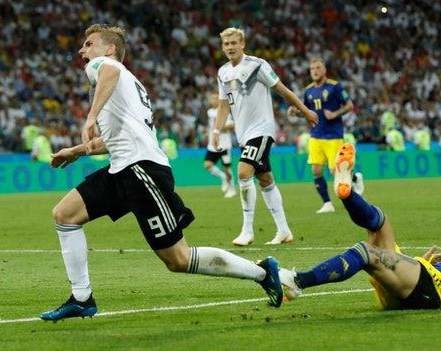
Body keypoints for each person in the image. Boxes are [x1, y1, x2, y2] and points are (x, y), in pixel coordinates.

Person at [40, 24, 285, 321]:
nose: (83, 50)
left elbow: (110, 72)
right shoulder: (126, 86)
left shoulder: (106, 67)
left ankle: (262, 272)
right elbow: (115, 139)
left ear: (110, 49)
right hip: (123, 169)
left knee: (178, 259)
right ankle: (81, 298)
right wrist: (76, 151)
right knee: (64, 215)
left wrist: (90, 116)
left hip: (143, 172)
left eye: (89, 44)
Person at [279, 143, 441, 309]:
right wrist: (424, 263)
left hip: (434, 289)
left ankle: (297, 281)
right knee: (380, 223)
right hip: (421, 283)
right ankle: (347, 194)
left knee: (366, 251)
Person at [212, 27, 318, 246]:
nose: (230, 47)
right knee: (265, 179)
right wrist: (216, 130)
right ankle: (284, 231)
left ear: (242, 44)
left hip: (262, 129)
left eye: (234, 43)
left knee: (242, 172)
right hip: (243, 134)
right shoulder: (222, 72)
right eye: (226, 44)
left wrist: (305, 111)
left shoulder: (257, 65)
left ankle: (247, 230)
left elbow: (283, 90)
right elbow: (223, 106)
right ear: (222, 47)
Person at [288, 58, 363, 214]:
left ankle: (355, 178)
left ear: (324, 70)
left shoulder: (335, 87)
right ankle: (327, 203)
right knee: (316, 170)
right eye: (312, 69)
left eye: (318, 68)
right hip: (315, 136)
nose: (315, 71)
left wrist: (335, 113)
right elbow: (308, 114)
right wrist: (297, 113)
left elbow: (349, 105)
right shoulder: (308, 91)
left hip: (333, 136)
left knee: (335, 172)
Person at [204, 92, 236, 198]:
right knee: (208, 165)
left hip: (224, 144)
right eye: (212, 98)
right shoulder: (210, 112)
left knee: (226, 168)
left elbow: (232, 126)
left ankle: (232, 189)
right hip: (213, 145)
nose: (213, 101)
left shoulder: (224, 112)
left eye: (215, 98)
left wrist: (218, 128)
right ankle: (223, 178)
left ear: (220, 100)